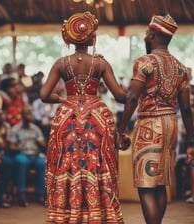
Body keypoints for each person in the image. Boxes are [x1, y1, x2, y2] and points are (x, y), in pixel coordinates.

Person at [40, 11, 127, 223]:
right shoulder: (101, 64)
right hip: (97, 117)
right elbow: (120, 95)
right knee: (96, 164)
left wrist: (63, 100)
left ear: (69, 38)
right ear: (92, 38)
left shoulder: (61, 63)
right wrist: (138, 93)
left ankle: (67, 214)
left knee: (67, 162)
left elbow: (44, 95)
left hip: (67, 117)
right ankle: (99, 213)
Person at [117, 14, 194, 224]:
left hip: (149, 125)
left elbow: (133, 97)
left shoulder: (144, 62)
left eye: (147, 32)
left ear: (152, 35)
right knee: (160, 182)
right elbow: (187, 109)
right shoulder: (181, 67)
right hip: (171, 123)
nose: (145, 35)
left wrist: (121, 130)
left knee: (145, 185)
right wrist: (191, 142)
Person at [10, 104, 47, 207]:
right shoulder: (16, 129)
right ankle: (21, 194)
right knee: (20, 161)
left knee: (42, 163)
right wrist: (17, 148)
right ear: (22, 115)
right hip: (22, 154)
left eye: (30, 113)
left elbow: (43, 144)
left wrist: (42, 143)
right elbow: (11, 146)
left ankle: (41, 194)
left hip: (35, 155)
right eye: (26, 113)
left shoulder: (36, 129)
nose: (29, 116)